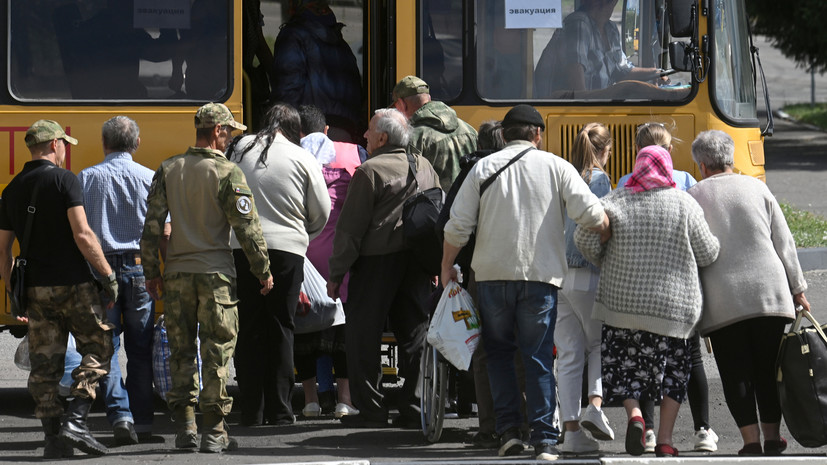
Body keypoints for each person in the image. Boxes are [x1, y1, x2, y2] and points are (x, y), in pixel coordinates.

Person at [442, 105, 610, 461]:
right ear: (538, 134)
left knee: (499, 355)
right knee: (536, 358)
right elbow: (594, 215)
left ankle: (508, 433)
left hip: (490, 278)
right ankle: (546, 440)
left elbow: (457, 226)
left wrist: (445, 266)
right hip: (540, 279)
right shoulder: (556, 166)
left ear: (504, 135)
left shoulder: (482, 168)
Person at [141, 103, 274, 453]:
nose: (230, 138)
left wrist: (152, 274)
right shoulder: (228, 172)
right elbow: (247, 228)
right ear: (216, 131)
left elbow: (152, 228)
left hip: (178, 276)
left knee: (181, 352)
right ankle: (214, 431)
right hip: (216, 275)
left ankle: (185, 427)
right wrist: (263, 271)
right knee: (216, 353)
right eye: (228, 132)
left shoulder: (169, 168)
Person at [574, 145, 719, 458]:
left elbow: (582, 238)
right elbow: (708, 252)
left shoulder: (614, 201)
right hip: (673, 309)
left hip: (621, 305)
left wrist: (602, 256)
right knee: (675, 372)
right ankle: (665, 440)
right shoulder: (685, 203)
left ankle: (636, 416)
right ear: (667, 168)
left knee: (623, 367)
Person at [0, 120, 119, 457]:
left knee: (44, 366)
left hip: (36, 289)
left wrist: (14, 293)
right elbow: (83, 235)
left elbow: (3, 250)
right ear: (54, 144)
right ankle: (76, 422)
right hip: (75, 286)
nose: (66, 149)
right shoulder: (65, 180)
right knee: (99, 348)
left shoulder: (13, 188)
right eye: (64, 143)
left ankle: (53, 439)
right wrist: (107, 275)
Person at [688, 130, 810, 456]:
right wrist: (798, 289)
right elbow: (784, 243)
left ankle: (750, 442)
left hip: (722, 299)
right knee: (769, 370)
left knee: (734, 371)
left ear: (701, 164)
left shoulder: (695, 195)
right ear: (731, 157)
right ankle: (773, 438)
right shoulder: (758, 187)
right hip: (768, 294)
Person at [327, 108, 440, 428]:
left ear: (383, 137)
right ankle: (415, 404)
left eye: (369, 130)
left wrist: (336, 273)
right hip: (417, 261)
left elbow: (350, 229)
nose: (364, 135)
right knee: (416, 332)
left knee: (363, 334)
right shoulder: (425, 166)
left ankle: (372, 409)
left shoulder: (369, 171)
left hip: (377, 262)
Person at [60, 116, 164, 445]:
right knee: (140, 347)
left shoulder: (86, 179)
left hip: (98, 270)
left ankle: (121, 416)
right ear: (136, 144)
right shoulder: (149, 178)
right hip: (138, 268)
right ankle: (144, 423)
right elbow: (166, 230)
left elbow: (77, 233)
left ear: (104, 143)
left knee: (104, 347)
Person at [226, 103, 330, 427]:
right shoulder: (302, 157)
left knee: (249, 327)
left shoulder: (239, 149)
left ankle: (252, 410)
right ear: (297, 130)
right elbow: (321, 211)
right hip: (287, 251)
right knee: (281, 326)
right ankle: (281, 410)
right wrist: (301, 236)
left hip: (242, 248)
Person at [617, 122, 718, 453]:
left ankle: (646, 430)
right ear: (669, 150)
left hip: (636, 287)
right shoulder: (686, 183)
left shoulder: (623, 185)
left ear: (637, 152)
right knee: (690, 359)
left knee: (642, 359)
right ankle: (703, 429)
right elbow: (701, 240)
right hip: (679, 286)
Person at [296, 104, 360, 418]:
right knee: (342, 328)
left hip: (305, 258)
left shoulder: (290, 156)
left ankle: (310, 400)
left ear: (297, 133)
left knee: (307, 327)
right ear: (325, 132)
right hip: (341, 256)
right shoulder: (354, 153)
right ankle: (345, 400)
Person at [555, 122, 615, 454]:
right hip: (589, 273)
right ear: (607, 150)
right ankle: (595, 405)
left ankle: (571, 430)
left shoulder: (564, 175)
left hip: (560, 275)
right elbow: (600, 223)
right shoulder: (600, 180)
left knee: (568, 354)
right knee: (599, 346)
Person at [271, 0, 363, 142]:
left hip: (309, 131)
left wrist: (283, 130)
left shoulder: (292, 36)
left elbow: (288, 89)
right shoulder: (342, 44)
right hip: (346, 133)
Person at [534, 0, 663, 96]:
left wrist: (657, 72)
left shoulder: (610, 29)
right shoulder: (579, 23)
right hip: (568, 111)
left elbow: (622, 71)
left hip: (596, 105)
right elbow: (577, 88)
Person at [391, 75, 478, 192]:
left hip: (436, 208)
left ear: (402, 104)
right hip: (467, 206)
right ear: (429, 98)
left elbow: (408, 185)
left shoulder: (413, 138)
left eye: (396, 107)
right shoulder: (469, 130)